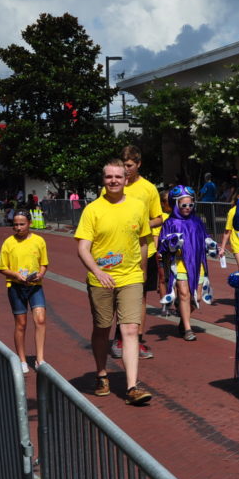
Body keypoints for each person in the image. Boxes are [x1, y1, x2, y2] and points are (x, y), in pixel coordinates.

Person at [75, 159, 153, 405]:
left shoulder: (138, 206)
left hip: (130, 276)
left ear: (126, 179)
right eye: (109, 177)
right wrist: (97, 272)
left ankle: (132, 387)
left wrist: (143, 271)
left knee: (130, 329)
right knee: (103, 328)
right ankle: (101, 374)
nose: (114, 181)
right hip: (102, 280)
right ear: (103, 180)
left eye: (118, 176)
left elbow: (143, 241)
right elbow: (83, 248)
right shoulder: (93, 210)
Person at [107, 146, 162, 361]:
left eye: (129, 165)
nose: (125, 169)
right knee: (118, 295)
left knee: (140, 296)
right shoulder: (114, 185)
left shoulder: (149, 189)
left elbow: (158, 217)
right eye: (123, 164)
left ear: (138, 164)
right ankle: (118, 337)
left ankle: (136, 339)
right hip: (119, 251)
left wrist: (140, 224)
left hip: (144, 249)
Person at [158, 186, 219, 341]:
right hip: (178, 263)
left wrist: (211, 245)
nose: (187, 208)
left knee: (196, 297)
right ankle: (187, 328)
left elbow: (206, 238)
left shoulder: (197, 221)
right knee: (184, 294)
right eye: (184, 205)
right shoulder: (170, 222)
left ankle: (182, 320)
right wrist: (171, 242)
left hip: (197, 264)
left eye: (190, 205)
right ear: (176, 204)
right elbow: (162, 244)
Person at [0, 210, 49, 373]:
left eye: (22, 224)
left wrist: (40, 274)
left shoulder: (39, 241)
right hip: (16, 287)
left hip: (35, 286)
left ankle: (40, 359)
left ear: (29, 224)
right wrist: (16, 275)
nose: (18, 228)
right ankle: (22, 359)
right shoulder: (8, 243)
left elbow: (44, 263)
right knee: (21, 323)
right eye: (15, 225)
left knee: (40, 319)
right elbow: (2, 268)